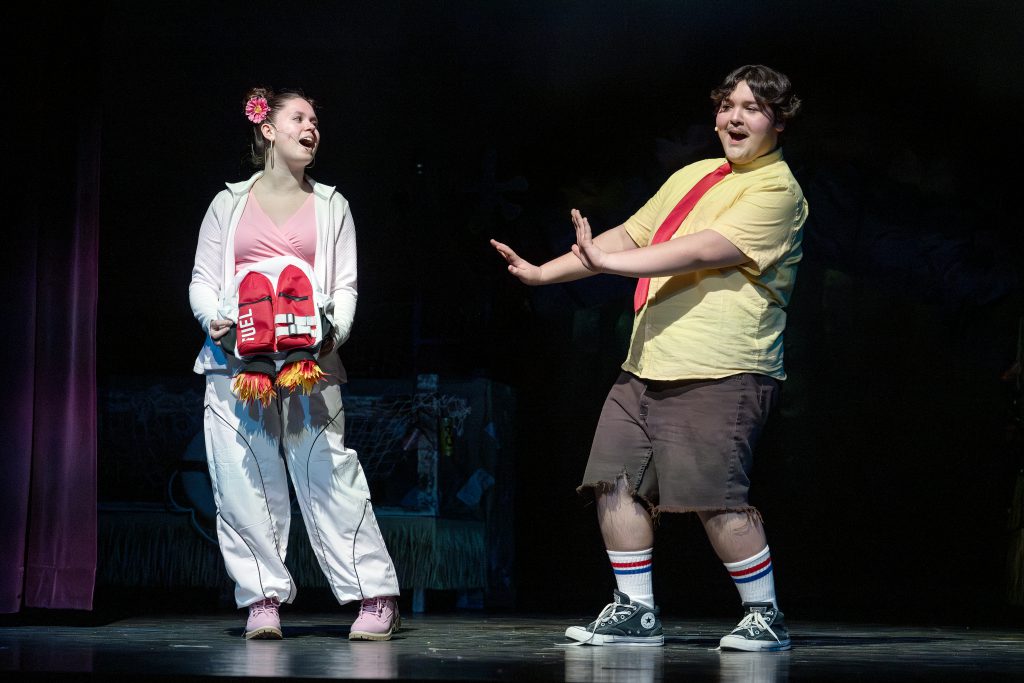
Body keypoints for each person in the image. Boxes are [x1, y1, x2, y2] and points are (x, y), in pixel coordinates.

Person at [491, 65, 806, 651]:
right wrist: (544, 274)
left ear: (778, 122)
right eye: (727, 105)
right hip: (646, 363)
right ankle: (635, 610)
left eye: (752, 109)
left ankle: (764, 615)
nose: (734, 118)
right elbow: (630, 236)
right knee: (614, 483)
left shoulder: (776, 191)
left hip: (721, 367)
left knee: (716, 499)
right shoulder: (696, 175)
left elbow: (697, 250)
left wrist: (607, 266)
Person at [189, 87, 401, 641]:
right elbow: (203, 281)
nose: (312, 128)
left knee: (329, 471)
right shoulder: (227, 202)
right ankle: (261, 599)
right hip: (237, 362)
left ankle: (374, 595)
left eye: (315, 121)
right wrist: (216, 319)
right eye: (298, 118)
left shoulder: (332, 205)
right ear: (268, 129)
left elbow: (345, 285)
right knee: (243, 479)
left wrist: (334, 332)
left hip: (311, 362)